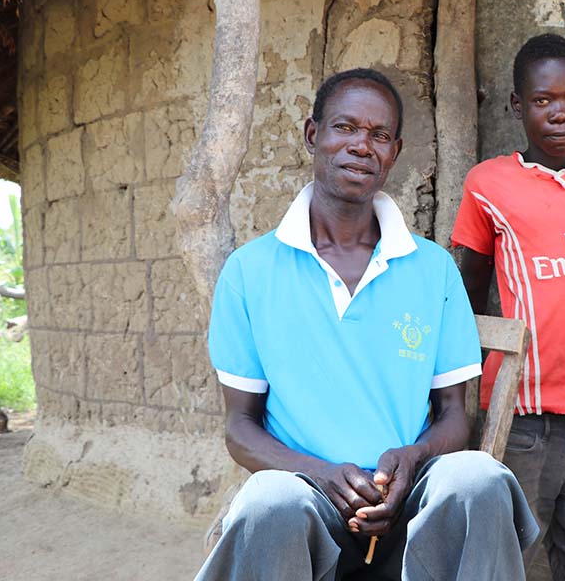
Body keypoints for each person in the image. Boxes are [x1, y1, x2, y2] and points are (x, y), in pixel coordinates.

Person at [195, 68, 539, 581]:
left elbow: (453, 415)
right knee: (269, 500)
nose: (361, 145)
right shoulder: (251, 270)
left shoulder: (431, 268)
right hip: (308, 496)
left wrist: (414, 457)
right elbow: (240, 428)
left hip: (412, 500)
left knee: (478, 477)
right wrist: (321, 475)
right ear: (314, 135)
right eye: (345, 127)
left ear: (394, 152)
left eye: (379, 135)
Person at [451, 33, 565, 580]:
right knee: (507, 561)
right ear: (516, 106)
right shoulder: (489, 184)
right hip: (523, 420)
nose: (560, 112)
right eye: (542, 100)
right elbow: (471, 290)